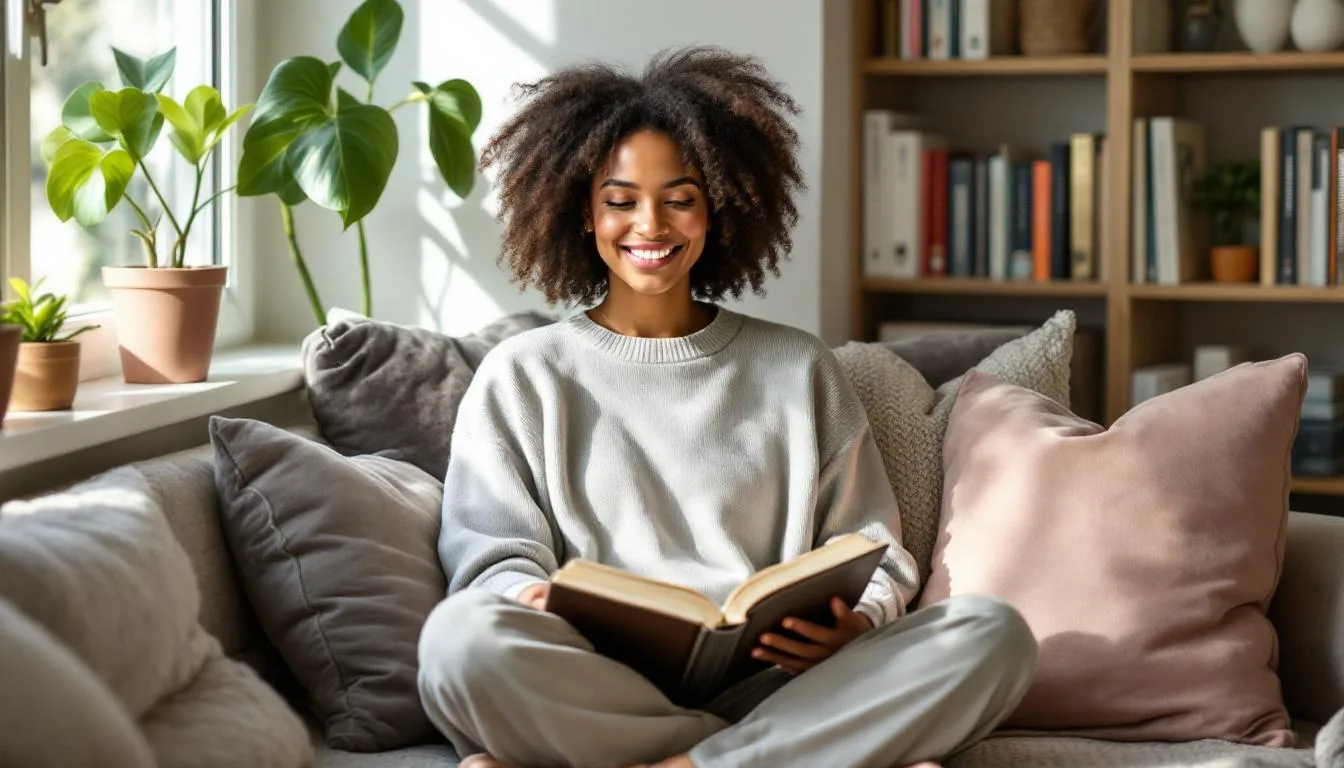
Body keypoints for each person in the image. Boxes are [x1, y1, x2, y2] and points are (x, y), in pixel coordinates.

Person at [416, 46, 1037, 768]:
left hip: (781, 686)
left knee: (993, 635)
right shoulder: (523, 375)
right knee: (457, 643)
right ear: (583, 213)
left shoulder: (796, 365)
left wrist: (858, 618)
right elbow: (492, 560)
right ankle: (783, 760)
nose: (650, 225)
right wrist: (532, 599)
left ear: (718, 206)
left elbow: (869, 547)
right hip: (594, 679)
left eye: (679, 198)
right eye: (620, 200)